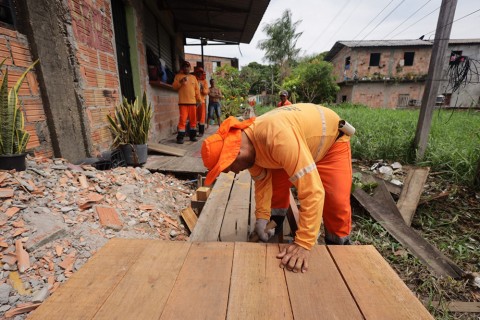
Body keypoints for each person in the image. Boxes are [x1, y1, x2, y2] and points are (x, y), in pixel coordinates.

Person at [201, 103, 353, 273]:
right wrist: (261, 218)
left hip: (331, 144)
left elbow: (312, 191)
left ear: (237, 154)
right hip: (298, 144)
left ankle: (340, 248)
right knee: (276, 187)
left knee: (336, 203)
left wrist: (303, 243)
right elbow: (262, 182)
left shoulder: (277, 137)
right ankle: (276, 223)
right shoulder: (249, 146)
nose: (233, 172)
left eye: (228, 168)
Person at [172, 61, 201, 144]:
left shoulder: (193, 77)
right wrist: (181, 82)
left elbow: (197, 90)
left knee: (193, 121)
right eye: (184, 66)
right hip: (183, 103)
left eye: (187, 66)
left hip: (192, 103)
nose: (186, 68)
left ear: (190, 68)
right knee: (182, 120)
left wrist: (199, 100)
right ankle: (180, 137)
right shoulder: (178, 76)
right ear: (182, 68)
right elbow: (174, 87)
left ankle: (193, 136)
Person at [194, 67, 209, 137]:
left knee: (201, 117)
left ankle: (201, 132)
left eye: (201, 73)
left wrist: (202, 88)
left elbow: (206, 92)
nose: (199, 74)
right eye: (198, 73)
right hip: (193, 101)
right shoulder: (194, 80)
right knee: (194, 116)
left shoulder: (204, 81)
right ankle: (193, 131)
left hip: (202, 102)